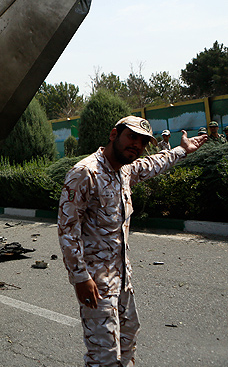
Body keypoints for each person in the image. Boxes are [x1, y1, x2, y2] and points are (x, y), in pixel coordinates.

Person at [58, 116, 206, 367]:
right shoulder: (85, 173)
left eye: (143, 142)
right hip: (96, 282)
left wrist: (182, 150)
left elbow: (153, 163)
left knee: (127, 343)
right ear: (114, 134)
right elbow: (67, 229)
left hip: (123, 280)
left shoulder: (125, 169)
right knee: (103, 355)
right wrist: (80, 278)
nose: (137, 146)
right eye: (132, 137)